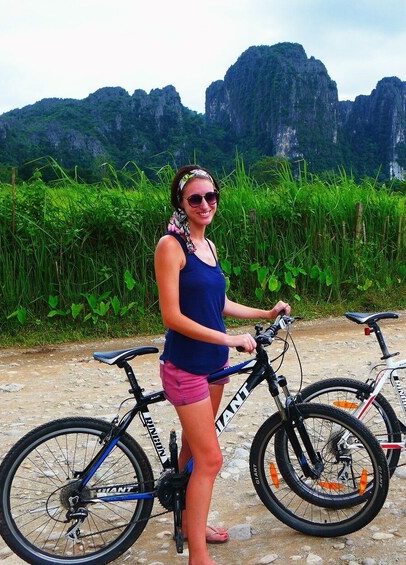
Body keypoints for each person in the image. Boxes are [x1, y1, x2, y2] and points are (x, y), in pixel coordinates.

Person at [155, 165, 289, 565]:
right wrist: (230, 338)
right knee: (211, 458)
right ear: (181, 201)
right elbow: (172, 317)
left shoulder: (207, 247)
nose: (204, 204)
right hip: (186, 368)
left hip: (213, 365)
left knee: (197, 453)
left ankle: (188, 522)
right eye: (195, 198)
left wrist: (263, 314)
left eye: (211, 197)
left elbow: (219, 304)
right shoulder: (171, 246)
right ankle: (199, 555)